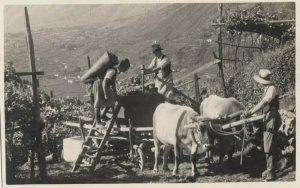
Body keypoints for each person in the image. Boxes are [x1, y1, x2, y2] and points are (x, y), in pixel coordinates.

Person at [242, 69, 281, 181]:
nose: (258, 82)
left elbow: (264, 103)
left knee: (269, 144)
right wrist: (252, 114)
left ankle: (271, 173)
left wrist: (250, 112)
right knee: (263, 141)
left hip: (272, 117)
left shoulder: (272, 89)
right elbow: (263, 106)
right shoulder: (267, 88)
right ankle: (268, 168)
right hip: (267, 116)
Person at [93, 58, 130, 127]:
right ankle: (98, 122)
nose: (125, 71)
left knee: (113, 99)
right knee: (98, 103)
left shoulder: (116, 72)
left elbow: (112, 84)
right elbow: (104, 82)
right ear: (123, 67)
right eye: (126, 69)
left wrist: (115, 94)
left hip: (103, 85)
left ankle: (103, 114)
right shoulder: (112, 71)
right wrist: (106, 94)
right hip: (99, 83)